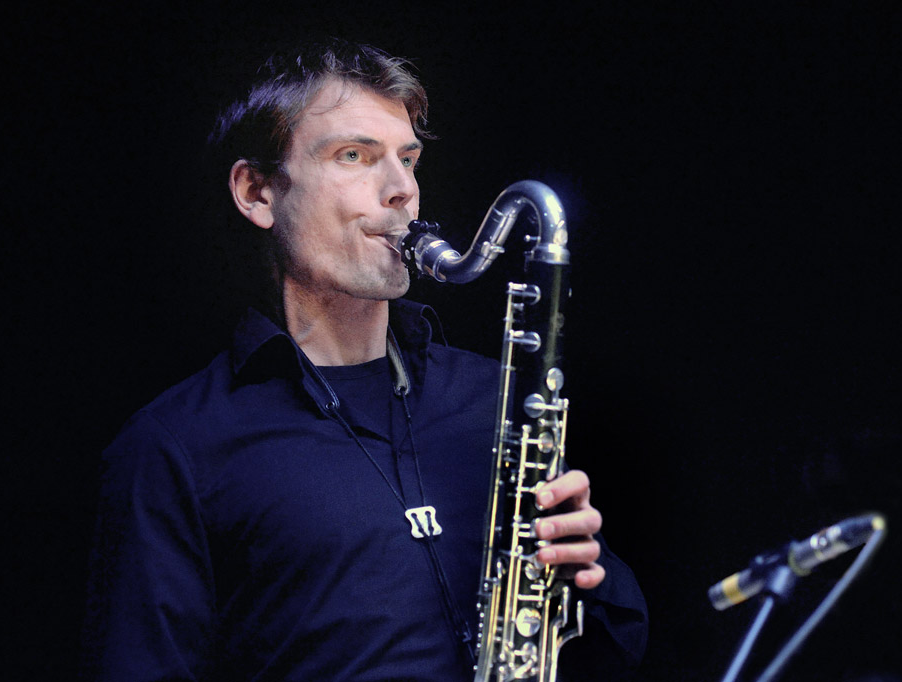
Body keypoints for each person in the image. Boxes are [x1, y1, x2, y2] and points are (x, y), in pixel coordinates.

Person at [82, 38, 647, 681]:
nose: (402, 189)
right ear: (257, 192)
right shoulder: (175, 446)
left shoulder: (497, 400)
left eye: (408, 159)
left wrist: (585, 576)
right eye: (354, 156)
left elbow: (617, 649)